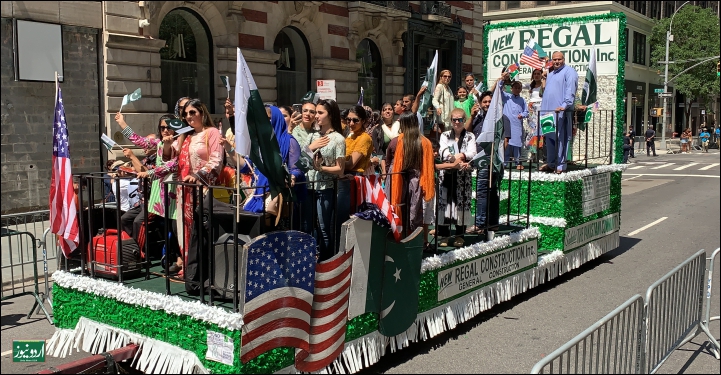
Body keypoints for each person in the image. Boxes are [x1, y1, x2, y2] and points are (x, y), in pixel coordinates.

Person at [173, 99, 224, 279]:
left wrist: (197, 175)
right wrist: (176, 137)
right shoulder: (186, 136)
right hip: (185, 191)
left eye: (192, 112)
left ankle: (203, 272)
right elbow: (170, 158)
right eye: (185, 114)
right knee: (184, 230)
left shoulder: (212, 133)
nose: (188, 116)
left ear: (202, 113)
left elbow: (216, 161)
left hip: (204, 190)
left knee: (201, 232)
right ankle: (190, 269)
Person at [308, 99, 347, 261]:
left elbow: (340, 169)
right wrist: (310, 147)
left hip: (326, 188)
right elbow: (300, 159)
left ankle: (326, 262)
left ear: (330, 115)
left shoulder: (338, 139)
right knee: (309, 227)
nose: (316, 116)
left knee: (324, 228)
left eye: (320, 112)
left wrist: (321, 168)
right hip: (309, 186)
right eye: (316, 112)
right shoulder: (313, 136)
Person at [389, 112, 435, 244]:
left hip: (397, 180)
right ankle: (416, 241)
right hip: (417, 181)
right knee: (415, 211)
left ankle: (399, 239)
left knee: (399, 209)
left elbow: (388, 161)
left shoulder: (395, 142)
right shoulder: (425, 142)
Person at [437, 108, 476, 247]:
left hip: (463, 175)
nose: (457, 122)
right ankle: (444, 235)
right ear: (451, 120)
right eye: (454, 119)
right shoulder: (445, 135)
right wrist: (453, 158)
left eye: (460, 119)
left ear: (464, 120)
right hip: (447, 174)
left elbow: (472, 152)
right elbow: (442, 150)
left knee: (462, 203)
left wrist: (462, 156)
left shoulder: (470, 136)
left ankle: (460, 235)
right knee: (445, 204)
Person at [539, 51, 578, 174]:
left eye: (559, 59)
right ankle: (551, 163)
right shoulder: (550, 74)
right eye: (554, 59)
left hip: (560, 112)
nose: (556, 62)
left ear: (564, 59)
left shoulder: (569, 71)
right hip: (547, 112)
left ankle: (561, 165)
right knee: (549, 138)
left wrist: (565, 105)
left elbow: (570, 89)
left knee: (561, 138)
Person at [498, 78, 528, 170]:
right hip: (507, 124)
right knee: (506, 143)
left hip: (517, 125)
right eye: (515, 87)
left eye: (519, 88)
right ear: (511, 88)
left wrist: (522, 115)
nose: (517, 89)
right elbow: (498, 89)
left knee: (517, 144)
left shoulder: (522, 100)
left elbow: (526, 112)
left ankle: (518, 162)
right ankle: (505, 162)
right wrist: (503, 79)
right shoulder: (506, 96)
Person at [344, 105, 374, 177]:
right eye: (348, 119)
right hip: (345, 176)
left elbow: (350, 165)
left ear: (363, 121)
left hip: (355, 178)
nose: (351, 123)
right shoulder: (350, 137)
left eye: (355, 120)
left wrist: (332, 164)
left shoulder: (364, 138)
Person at [524, 69, 545, 161]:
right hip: (532, 109)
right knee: (533, 131)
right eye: (535, 74)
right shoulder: (530, 86)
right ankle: (533, 154)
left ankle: (541, 155)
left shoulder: (544, 85)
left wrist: (544, 78)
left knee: (541, 131)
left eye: (538, 74)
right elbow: (519, 84)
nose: (536, 75)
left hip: (541, 108)